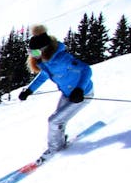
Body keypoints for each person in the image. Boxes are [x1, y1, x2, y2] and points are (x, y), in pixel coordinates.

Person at [17, 23, 93, 161]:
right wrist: (29, 90)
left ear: (44, 50)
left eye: (35, 52)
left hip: (82, 95)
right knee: (57, 121)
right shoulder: (45, 62)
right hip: (68, 95)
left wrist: (79, 89)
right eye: (31, 52)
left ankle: (55, 149)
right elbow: (44, 76)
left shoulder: (62, 59)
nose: (33, 56)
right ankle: (59, 143)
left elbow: (86, 69)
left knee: (54, 121)